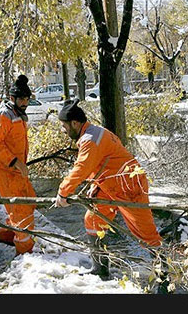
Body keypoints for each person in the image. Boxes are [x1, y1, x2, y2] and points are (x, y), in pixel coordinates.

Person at [55, 99, 162, 280]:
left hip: (129, 186)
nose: (63, 131)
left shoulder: (89, 140)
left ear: (74, 123)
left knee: (147, 235)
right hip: (112, 184)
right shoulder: (95, 132)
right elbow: (107, 161)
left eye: (64, 126)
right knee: (93, 220)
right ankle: (100, 269)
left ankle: (165, 279)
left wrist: (63, 192)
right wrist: (97, 185)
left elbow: (81, 168)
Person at [0, 75, 36, 255]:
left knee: (28, 203)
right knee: (21, 211)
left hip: (17, 171)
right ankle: (25, 254)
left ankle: (7, 235)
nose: (25, 102)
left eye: (27, 99)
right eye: (22, 99)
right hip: (7, 172)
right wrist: (15, 162)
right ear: (12, 98)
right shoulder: (4, 115)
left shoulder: (18, 114)